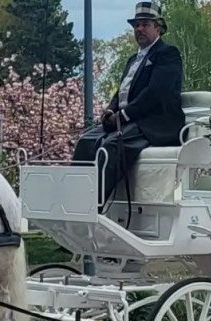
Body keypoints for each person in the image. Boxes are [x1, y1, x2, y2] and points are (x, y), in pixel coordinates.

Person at [72, 1, 185, 208]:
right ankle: (75, 201)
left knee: (111, 146)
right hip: (128, 121)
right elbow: (122, 91)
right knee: (86, 141)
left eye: (144, 24)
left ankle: (92, 206)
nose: (139, 29)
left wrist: (122, 116)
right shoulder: (134, 59)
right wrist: (110, 110)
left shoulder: (168, 54)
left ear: (157, 27)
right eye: (136, 25)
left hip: (154, 123)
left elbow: (155, 94)